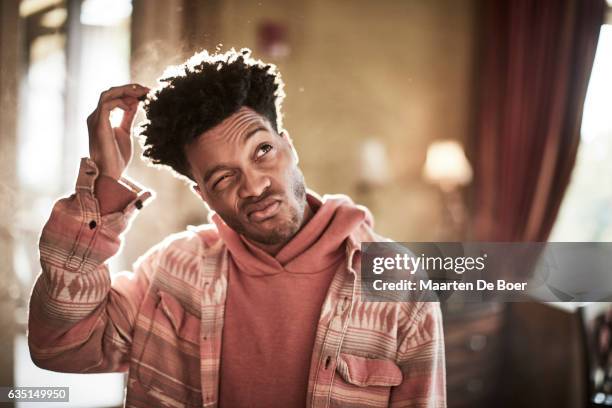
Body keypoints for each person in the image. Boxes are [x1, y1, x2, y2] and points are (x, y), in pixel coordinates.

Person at [28, 48, 446, 408]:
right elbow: (60, 348)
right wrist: (103, 185)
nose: (256, 186)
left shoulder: (399, 283)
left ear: (288, 144)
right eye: (223, 179)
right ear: (203, 195)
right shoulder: (171, 271)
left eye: (262, 150)